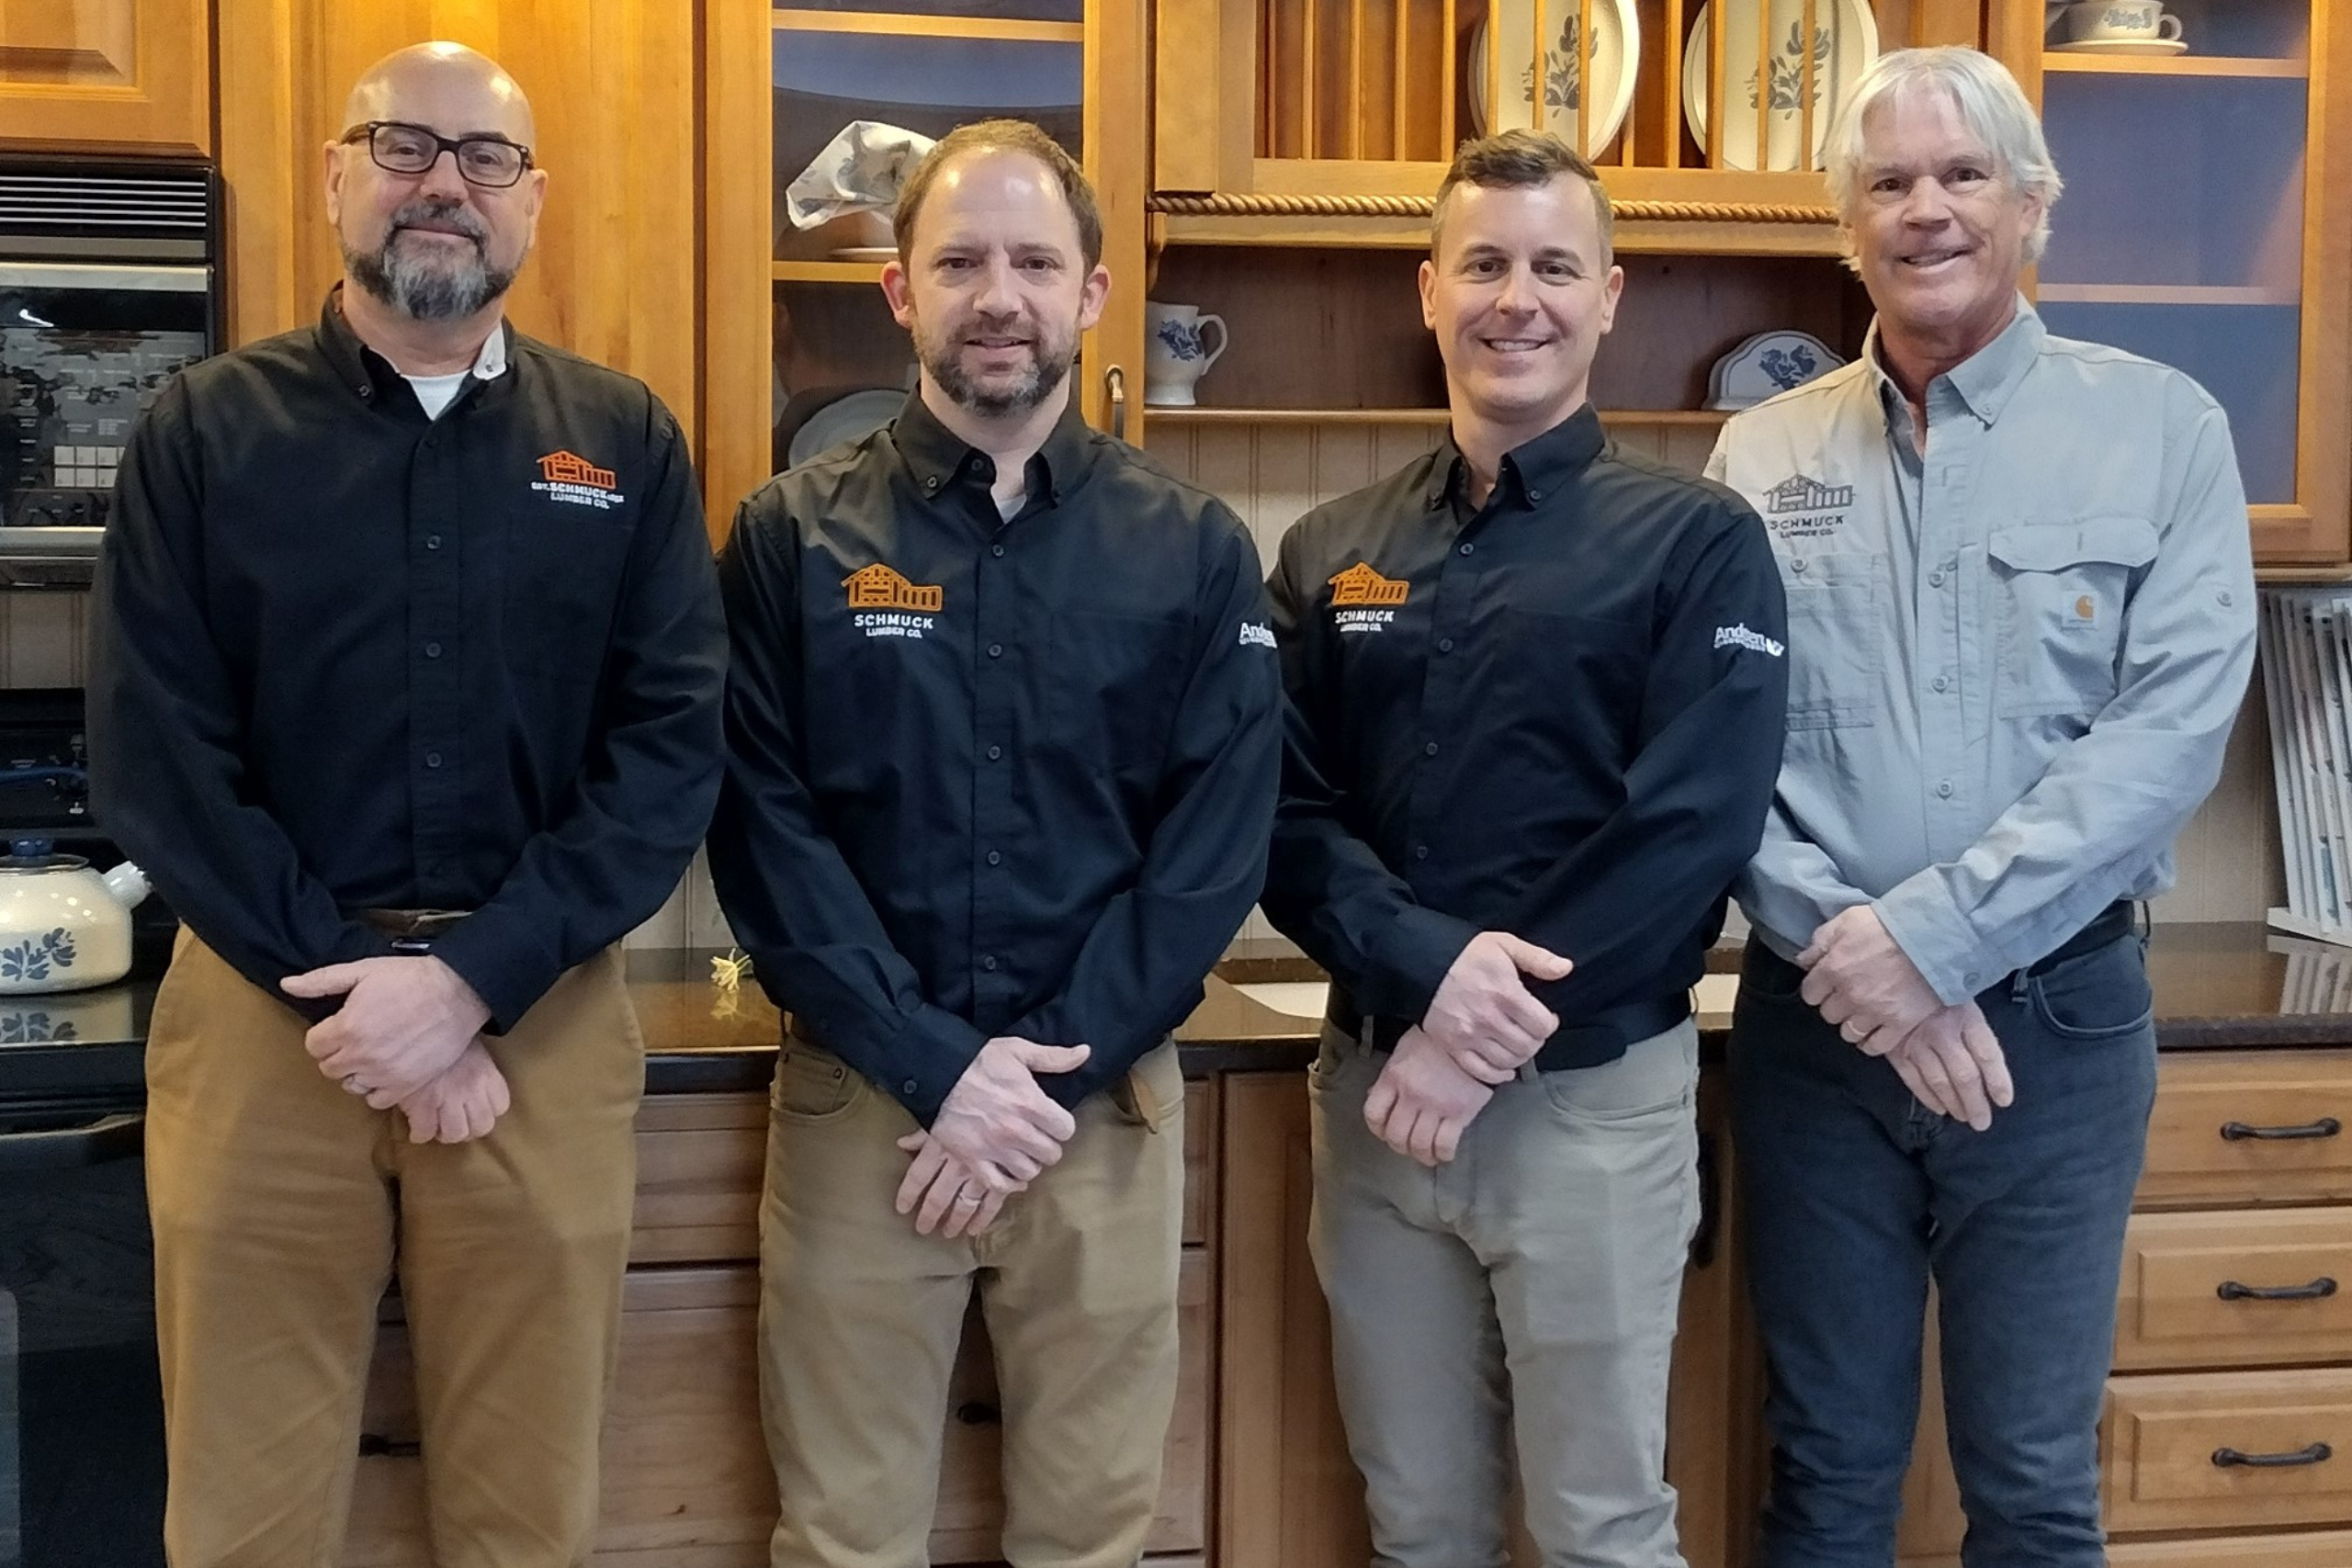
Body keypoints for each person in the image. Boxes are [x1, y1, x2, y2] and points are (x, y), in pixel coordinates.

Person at [88, 41, 725, 1568]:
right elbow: (156, 757)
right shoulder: (202, 434)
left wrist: (468, 984)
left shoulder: (625, 444)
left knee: (528, 1519)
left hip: (540, 1023)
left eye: (485, 157)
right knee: (245, 1519)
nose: (445, 182)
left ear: (532, 202)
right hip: (266, 1018)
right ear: (336, 177)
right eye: (404, 146)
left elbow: (667, 751)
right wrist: (365, 989)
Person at [1704, 45, 2257, 1567]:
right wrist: (1861, 960)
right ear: (1848, 224)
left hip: (2059, 1027)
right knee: (1824, 1474)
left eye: (1963, 175)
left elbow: (2167, 737)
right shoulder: (1760, 452)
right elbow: (1716, 744)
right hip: (1818, 1027)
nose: (1927, 209)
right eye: (1889, 181)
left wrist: (1933, 945)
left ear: (2032, 204)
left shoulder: (2164, 429)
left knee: (2032, 1484)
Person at [705, 118, 1281, 1568]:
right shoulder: (787, 537)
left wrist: (1039, 1074)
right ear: (900, 291)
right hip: (864, 1108)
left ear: (1093, 291)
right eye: (960, 262)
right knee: (842, 1538)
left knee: (1093, 1537)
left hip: (1102, 1116)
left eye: (1035, 261)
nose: (999, 296)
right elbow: (764, 828)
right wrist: (937, 1065)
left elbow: (1212, 850)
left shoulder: (1194, 548)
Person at [1260, 129, 1790, 1568]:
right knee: (1418, 1524)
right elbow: (1283, 813)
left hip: (1591, 1110)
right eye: (1484, 264)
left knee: (1602, 1526)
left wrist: (1473, 1033)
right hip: (1377, 1098)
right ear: (1429, 291)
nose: (1518, 298)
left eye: (1555, 266)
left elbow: (1690, 828)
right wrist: (1428, 981)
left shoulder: (1700, 543)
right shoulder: (1331, 548)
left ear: (1608, 296)